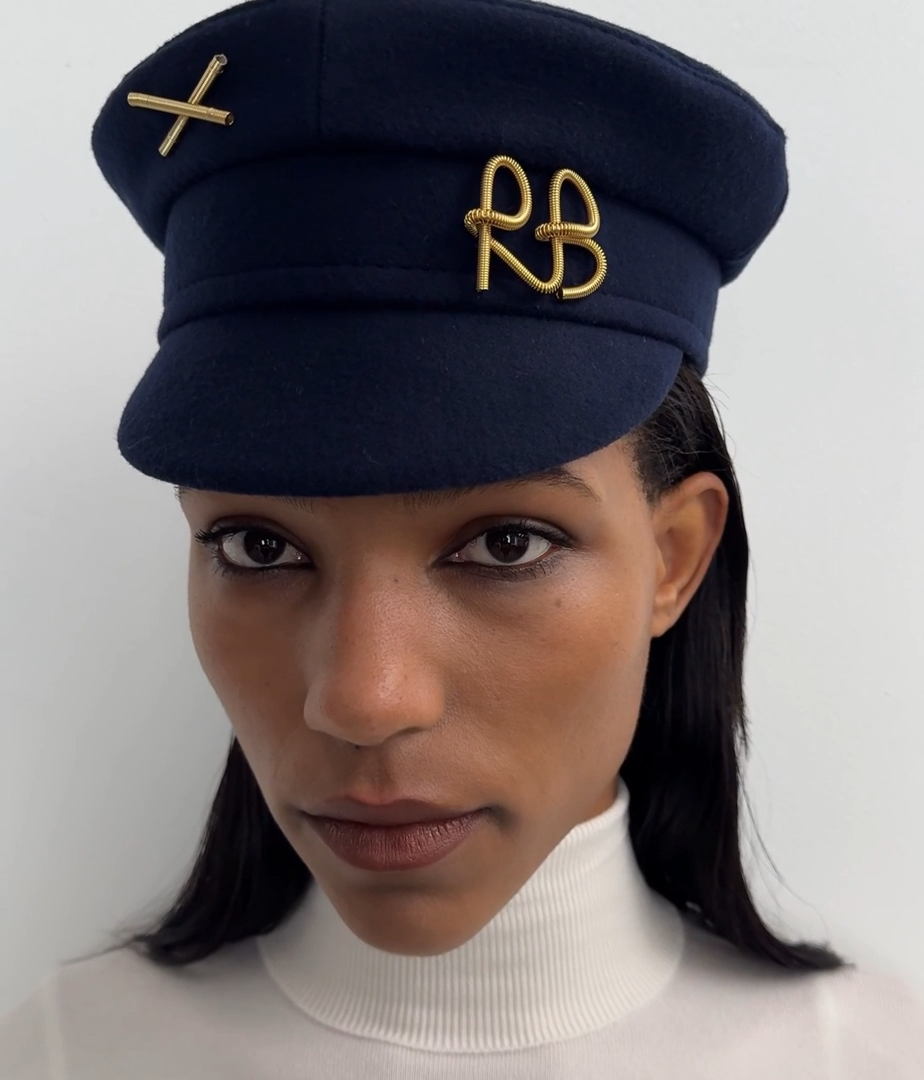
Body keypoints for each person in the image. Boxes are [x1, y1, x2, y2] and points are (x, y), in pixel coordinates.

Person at [2, 0, 923, 1075]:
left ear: (675, 557)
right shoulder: (60, 1052)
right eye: (257, 548)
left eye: (506, 545)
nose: (363, 700)